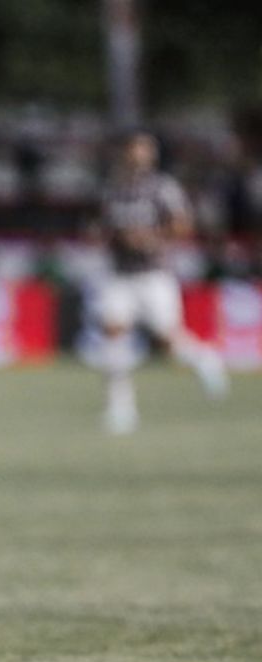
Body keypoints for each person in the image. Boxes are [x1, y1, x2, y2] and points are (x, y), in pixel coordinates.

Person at [95, 131, 228, 435]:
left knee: (167, 341)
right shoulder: (114, 189)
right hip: (120, 273)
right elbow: (106, 227)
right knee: (113, 334)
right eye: (132, 149)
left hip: (154, 273)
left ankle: (204, 358)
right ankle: (120, 408)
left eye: (143, 150)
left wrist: (151, 239)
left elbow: (182, 223)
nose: (137, 155)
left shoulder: (162, 187)